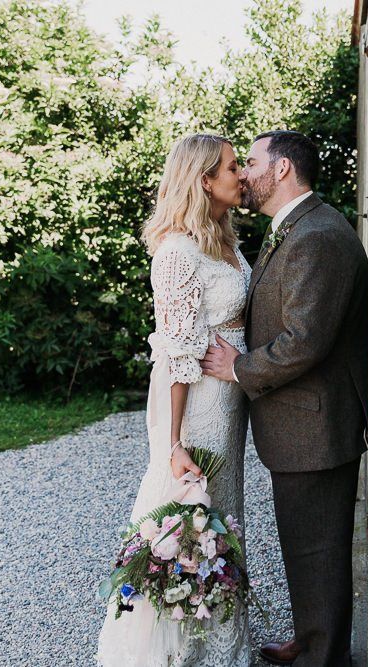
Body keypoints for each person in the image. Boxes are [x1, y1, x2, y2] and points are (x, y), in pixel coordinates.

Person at [202, 130, 368, 666]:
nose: (244, 173)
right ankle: (310, 636)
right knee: (304, 543)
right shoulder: (296, 226)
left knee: (318, 548)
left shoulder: (317, 235)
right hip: (300, 424)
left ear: (280, 170)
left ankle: (325, 657)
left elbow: (305, 339)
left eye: (250, 162)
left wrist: (239, 367)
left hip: (315, 426)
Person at [96, 133, 251, 667]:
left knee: (224, 521)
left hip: (232, 405)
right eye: (233, 167)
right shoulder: (177, 252)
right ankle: (172, 652)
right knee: (185, 519)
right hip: (201, 408)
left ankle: (219, 641)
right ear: (204, 180)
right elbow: (178, 354)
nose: (243, 174)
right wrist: (175, 441)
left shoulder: (223, 240)